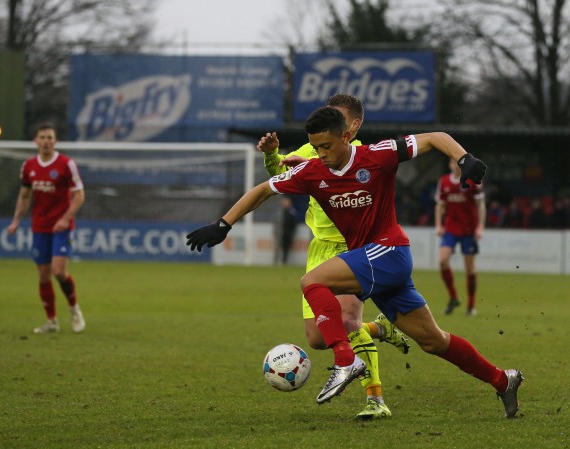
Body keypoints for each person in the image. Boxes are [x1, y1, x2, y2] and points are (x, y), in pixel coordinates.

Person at [188, 107, 524, 418]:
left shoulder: (377, 156)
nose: (320, 154)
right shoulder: (313, 170)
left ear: (346, 136)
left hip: (389, 251)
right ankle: (503, 380)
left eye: (326, 146)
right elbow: (263, 190)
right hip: (375, 264)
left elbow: (435, 138)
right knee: (434, 341)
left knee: (311, 282)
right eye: (314, 147)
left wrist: (463, 158)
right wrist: (223, 224)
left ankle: (346, 362)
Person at [256, 94, 410, 421]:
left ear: (352, 127)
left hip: (353, 247)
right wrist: (271, 156)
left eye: (337, 119)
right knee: (317, 338)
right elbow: (279, 173)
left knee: (349, 322)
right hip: (319, 248)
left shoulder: (361, 155)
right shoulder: (312, 150)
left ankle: (375, 399)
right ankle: (380, 329)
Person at [7, 124, 86, 334]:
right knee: (43, 276)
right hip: (40, 226)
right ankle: (51, 321)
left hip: (61, 227)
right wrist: (16, 222)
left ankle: (73, 309)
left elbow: (79, 196)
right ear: (36, 141)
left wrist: (66, 218)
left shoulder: (66, 164)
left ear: (55, 141)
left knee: (59, 272)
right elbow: (24, 197)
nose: (46, 141)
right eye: (42, 137)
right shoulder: (28, 166)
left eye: (50, 137)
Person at [434, 157, 486, 316]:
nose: (456, 167)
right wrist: (438, 225)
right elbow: (440, 206)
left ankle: (471, 305)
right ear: (450, 165)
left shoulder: (471, 181)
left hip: (469, 231)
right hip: (451, 229)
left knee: (470, 269)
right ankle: (453, 297)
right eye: (453, 163)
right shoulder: (444, 182)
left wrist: (480, 227)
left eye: (459, 164)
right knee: (442, 260)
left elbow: (480, 205)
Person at [273, 195, 298, 264]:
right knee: (277, 249)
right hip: (279, 234)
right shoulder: (280, 213)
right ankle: (275, 263)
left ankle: (284, 263)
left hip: (288, 234)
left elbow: (293, 225)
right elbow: (276, 224)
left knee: (286, 250)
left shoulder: (292, 213)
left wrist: (291, 234)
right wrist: (275, 233)